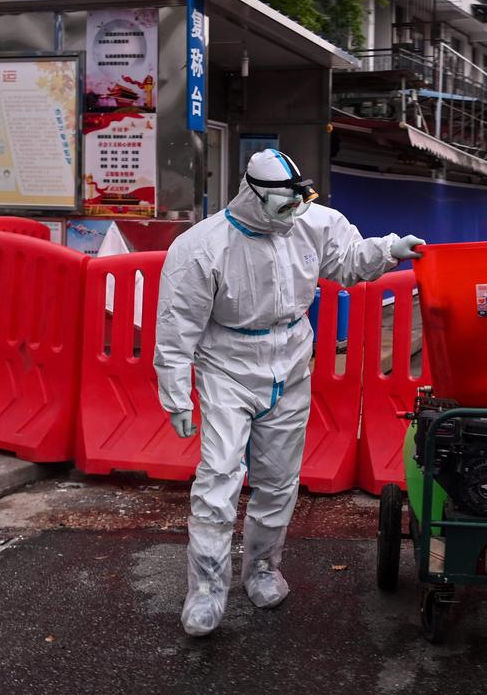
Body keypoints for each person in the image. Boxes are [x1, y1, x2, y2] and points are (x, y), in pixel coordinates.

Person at [154, 149, 424, 637]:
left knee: (279, 479)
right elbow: (177, 327)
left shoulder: (312, 222)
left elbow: (346, 262)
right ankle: (207, 588)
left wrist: (388, 250)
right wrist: (175, 393)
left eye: (297, 204)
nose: (291, 216)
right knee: (219, 479)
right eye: (282, 207)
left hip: (291, 362)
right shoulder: (201, 247)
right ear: (253, 196)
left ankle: (262, 568)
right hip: (226, 367)